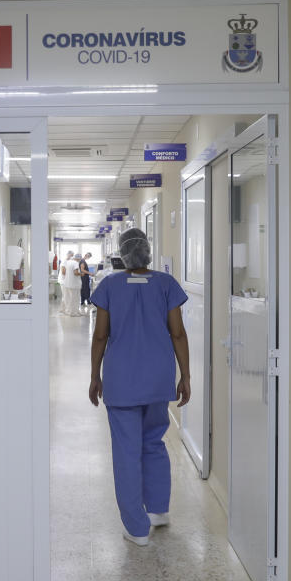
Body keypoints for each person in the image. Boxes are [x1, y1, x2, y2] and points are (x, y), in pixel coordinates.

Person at [88, 228, 191, 546]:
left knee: (126, 452)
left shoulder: (109, 286)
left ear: (122, 253)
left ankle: (136, 528)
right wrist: (185, 375)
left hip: (122, 381)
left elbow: (101, 335)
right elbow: (177, 333)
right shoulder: (166, 284)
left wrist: (95, 375)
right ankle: (158, 511)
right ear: (148, 250)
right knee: (154, 443)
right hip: (157, 380)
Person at [61, 252, 83, 316]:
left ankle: (69, 311)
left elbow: (64, 271)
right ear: (78, 259)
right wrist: (81, 274)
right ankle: (74, 313)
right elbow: (75, 273)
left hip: (67, 284)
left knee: (68, 299)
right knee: (75, 299)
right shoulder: (76, 263)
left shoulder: (68, 262)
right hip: (74, 284)